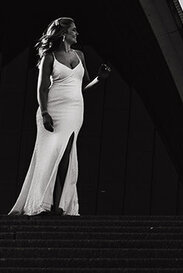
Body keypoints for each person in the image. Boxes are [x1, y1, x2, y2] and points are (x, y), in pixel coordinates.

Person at [9, 17, 110, 216]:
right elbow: (42, 88)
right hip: (53, 109)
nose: (76, 33)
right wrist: (44, 112)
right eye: (73, 30)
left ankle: (61, 205)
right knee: (50, 156)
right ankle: (44, 204)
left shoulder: (80, 55)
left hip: (75, 111)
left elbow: (83, 87)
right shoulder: (50, 56)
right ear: (63, 33)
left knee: (67, 156)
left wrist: (100, 79)